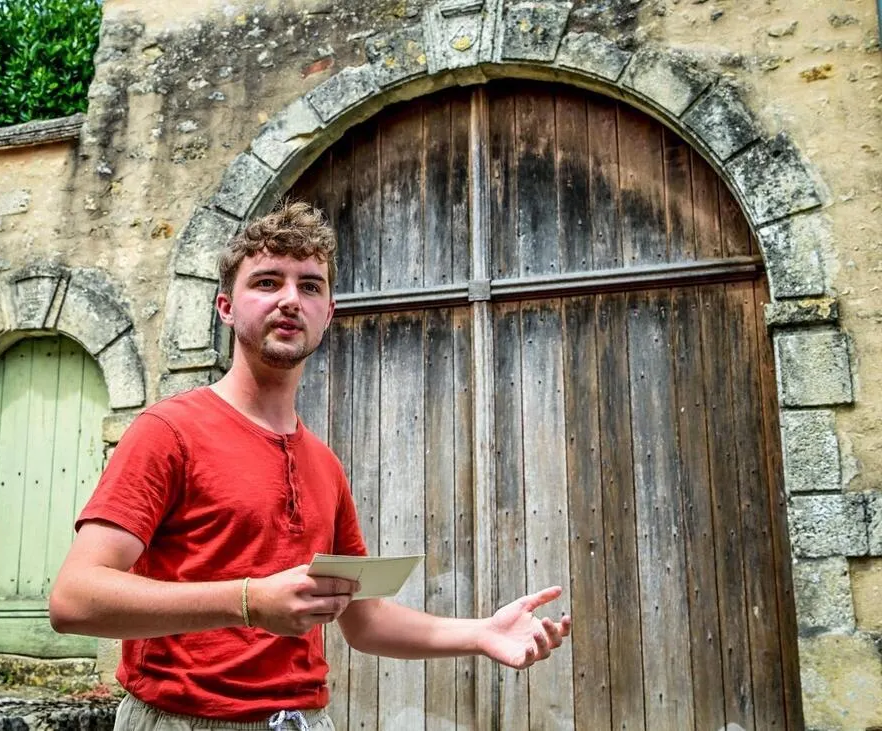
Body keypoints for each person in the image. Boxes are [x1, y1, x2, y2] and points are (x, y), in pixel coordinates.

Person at [49, 200, 572, 731]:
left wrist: (480, 633)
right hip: (183, 720)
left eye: (310, 286)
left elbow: (364, 620)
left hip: (303, 721)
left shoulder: (324, 464)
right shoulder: (168, 432)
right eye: (267, 282)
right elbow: (74, 599)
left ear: (329, 312)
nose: (290, 300)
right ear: (226, 307)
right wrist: (248, 601)